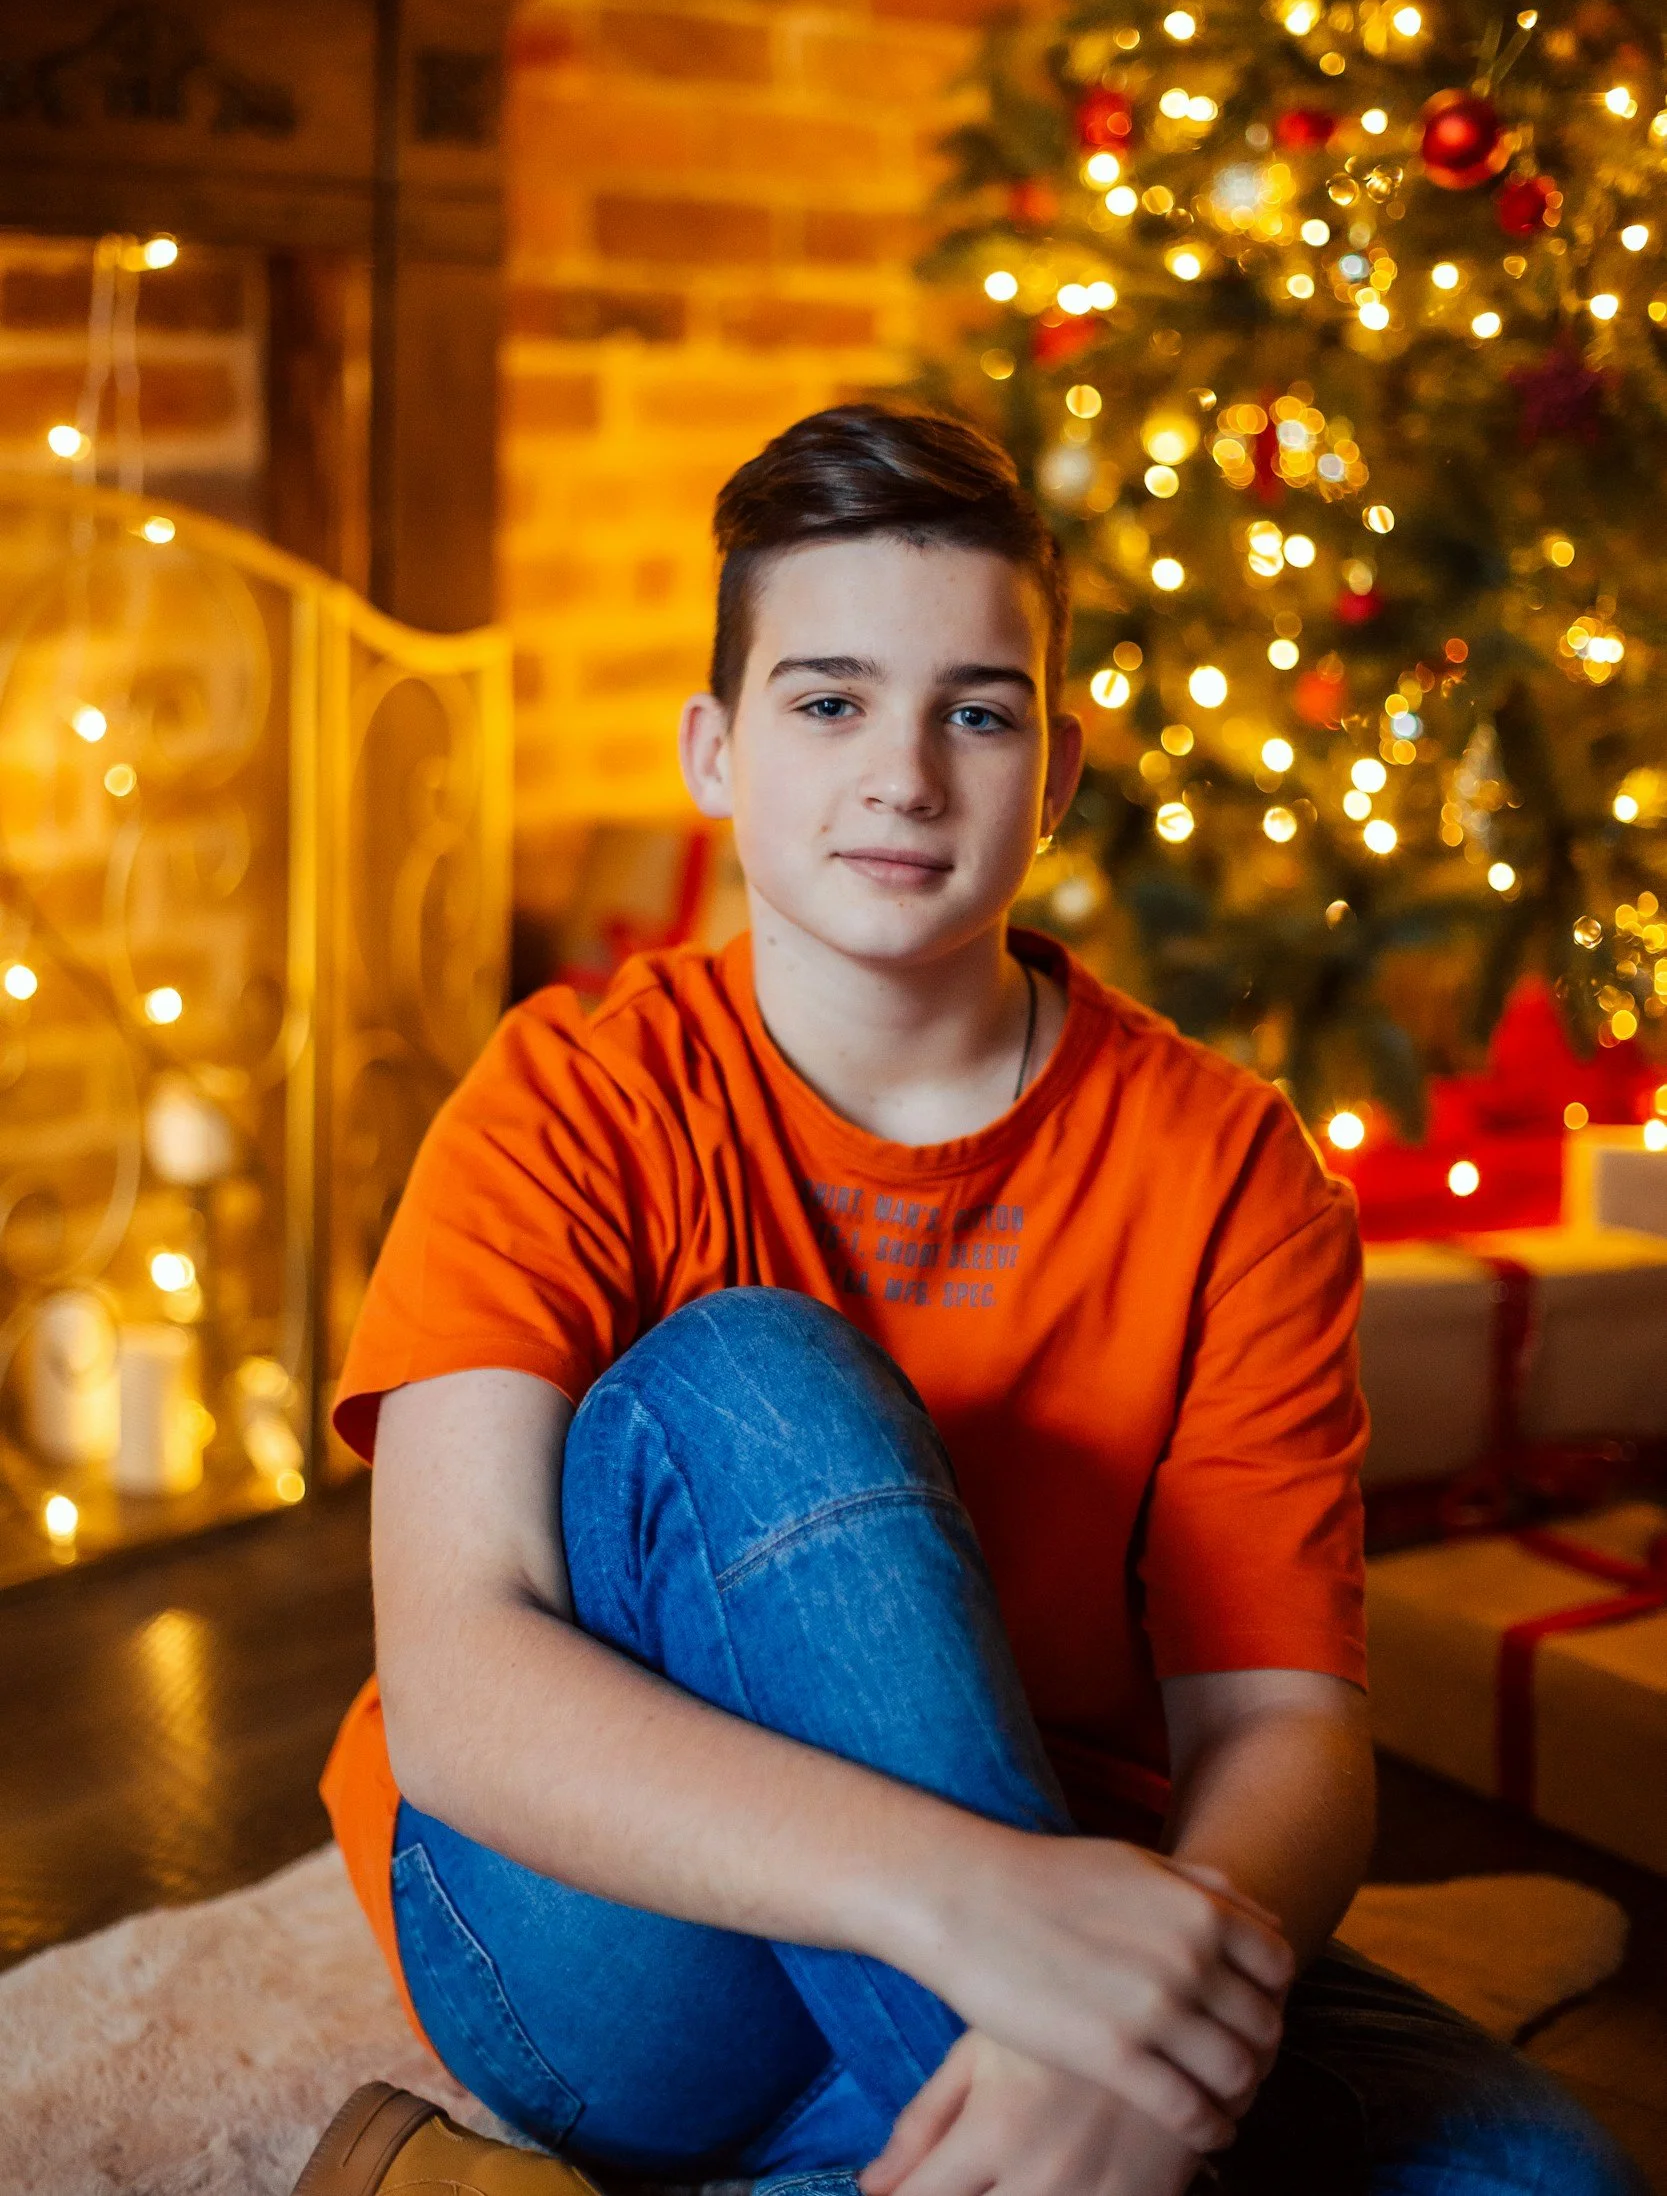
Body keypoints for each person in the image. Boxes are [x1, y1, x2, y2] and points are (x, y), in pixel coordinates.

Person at [294, 407, 1642, 2196]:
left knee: (1550, 2182)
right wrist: (991, 1916)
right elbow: (460, 1685)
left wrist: (1119, 2029)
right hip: (608, 1931)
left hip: (1067, 1879)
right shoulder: (566, 1098)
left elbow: (1277, 1730)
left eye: (976, 712)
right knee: (753, 1375)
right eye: (829, 701)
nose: (906, 776)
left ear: (1056, 771)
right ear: (715, 750)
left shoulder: (1228, 1166)